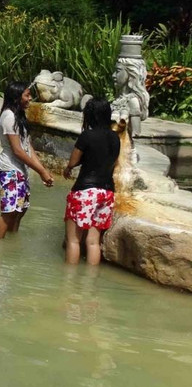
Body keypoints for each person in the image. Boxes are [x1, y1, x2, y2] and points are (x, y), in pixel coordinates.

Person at [62, 98, 120, 265]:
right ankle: (90, 284)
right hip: (107, 193)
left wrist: (68, 169)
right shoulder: (115, 138)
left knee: (73, 240)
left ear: (90, 116)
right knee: (93, 242)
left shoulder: (87, 135)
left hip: (85, 191)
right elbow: (111, 162)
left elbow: (73, 162)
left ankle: (68, 282)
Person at [0, 81, 53, 239]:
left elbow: (28, 147)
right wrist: (40, 171)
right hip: (9, 169)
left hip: (19, 170)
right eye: (27, 95)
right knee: (9, 212)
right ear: (16, 97)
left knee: (20, 210)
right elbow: (17, 151)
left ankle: (12, 244)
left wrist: (43, 171)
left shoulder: (18, 116)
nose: (30, 98)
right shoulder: (9, 116)